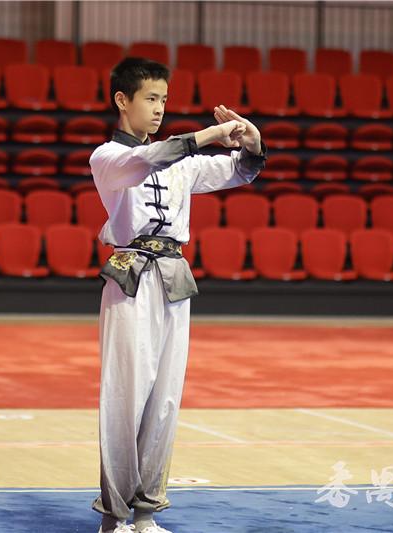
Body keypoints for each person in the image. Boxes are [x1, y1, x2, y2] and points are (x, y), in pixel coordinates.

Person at [89, 57, 268, 533]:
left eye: (164, 100)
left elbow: (240, 171)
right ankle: (113, 518)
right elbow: (150, 158)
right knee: (124, 397)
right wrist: (210, 135)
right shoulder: (107, 158)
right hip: (130, 280)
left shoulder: (182, 165)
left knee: (165, 399)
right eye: (150, 98)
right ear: (122, 100)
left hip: (173, 278)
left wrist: (251, 141)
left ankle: (145, 515)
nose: (159, 108)